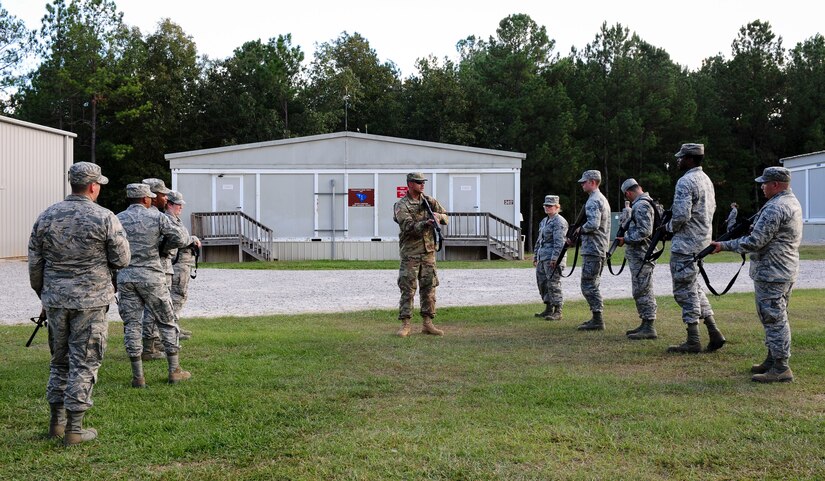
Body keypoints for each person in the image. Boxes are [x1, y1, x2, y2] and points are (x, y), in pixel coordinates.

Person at [28, 162, 131, 446]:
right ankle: (75, 429)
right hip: (91, 301)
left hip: (56, 301)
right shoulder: (105, 217)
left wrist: (45, 296)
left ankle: (55, 424)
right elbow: (122, 259)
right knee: (84, 362)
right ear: (93, 186)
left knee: (59, 362)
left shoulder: (46, 216)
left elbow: (35, 263)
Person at [710, 167, 802, 382]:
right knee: (774, 317)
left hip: (772, 272)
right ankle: (772, 360)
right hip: (783, 270)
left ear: (776, 184)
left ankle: (781, 368)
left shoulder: (776, 207)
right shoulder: (791, 202)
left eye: (765, 182)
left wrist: (723, 245)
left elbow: (754, 242)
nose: (762, 186)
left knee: (774, 318)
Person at [117, 183, 191, 387]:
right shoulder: (157, 217)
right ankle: (174, 370)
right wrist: (163, 248)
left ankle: (137, 376)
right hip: (152, 276)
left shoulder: (117, 219)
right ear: (145, 199)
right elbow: (182, 238)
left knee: (131, 324)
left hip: (126, 277)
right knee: (166, 321)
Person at [665, 143, 726, 353]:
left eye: (681, 157)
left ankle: (693, 339)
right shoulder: (706, 179)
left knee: (684, 290)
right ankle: (714, 331)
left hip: (686, 244)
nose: (678, 161)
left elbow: (681, 215)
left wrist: (667, 227)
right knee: (694, 287)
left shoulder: (686, 181)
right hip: (701, 242)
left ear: (690, 159)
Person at [393, 172, 449, 337]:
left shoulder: (429, 201)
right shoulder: (401, 205)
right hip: (411, 253)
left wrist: (438, 216)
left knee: (429, 288)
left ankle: (428, 323)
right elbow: (408, 226)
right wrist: (426, 223)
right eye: (418, 182)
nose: (422, 185)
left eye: (423, 182)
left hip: (428, 253)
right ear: (410, 184)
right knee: (408, 289)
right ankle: (406, 324)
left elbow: (446, 216)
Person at [616, 179, 658, 340]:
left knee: (644, 289)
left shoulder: (641, 205)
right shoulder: (644, 203)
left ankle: (649, 326)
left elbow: (644, 232)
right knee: (640, 289)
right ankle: (645, 323)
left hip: (642, 254)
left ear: (628, 193)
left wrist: (625, 239)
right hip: (640, 255)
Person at [572, 170, 610, 331]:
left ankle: (597, 319)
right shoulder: (600, 198)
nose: (582, 184)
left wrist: (580, 229)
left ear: (593, 182)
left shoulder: (594, 200)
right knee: (592, 283)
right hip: (597, 248)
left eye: (584, 181)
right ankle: (596, 317)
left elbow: (593, 224)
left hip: (594, 248)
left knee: (588, 284)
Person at [166, 191, 201, 323]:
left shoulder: (175, 220)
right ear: (169, 204)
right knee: (176, 295)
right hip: (177, 264)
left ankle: (174, 327)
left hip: (183, 264)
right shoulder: (168, 220)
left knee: (180, 295)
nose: (181, 207)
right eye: (178, 204)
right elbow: (178, 239)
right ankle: (171, 328)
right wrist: (192, 239)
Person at [533, 195, 568, 320]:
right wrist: (536, 256)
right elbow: (539, 240)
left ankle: (558, 310)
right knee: (542, 283)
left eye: (550, 206)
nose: (547, 208)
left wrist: (555, 259)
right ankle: (548, 308)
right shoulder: (544, 221)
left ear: (557, 207)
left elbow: (559, 242)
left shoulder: (559, 222)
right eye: (546, 205)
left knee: (553, 284)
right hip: (543, 257)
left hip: (553, 258)